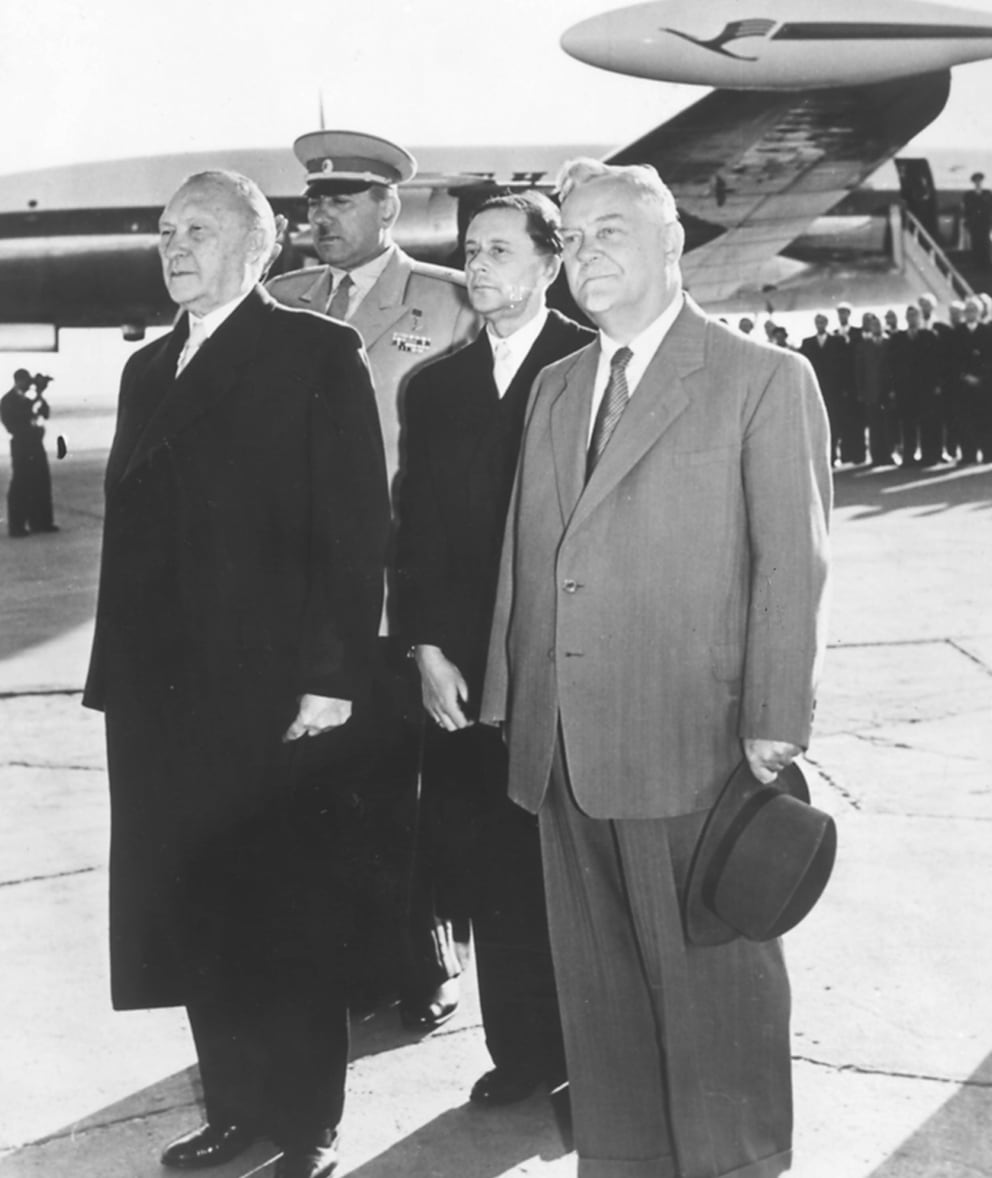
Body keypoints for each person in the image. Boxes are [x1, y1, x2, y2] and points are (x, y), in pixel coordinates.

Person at [481, 158, 831, 1178]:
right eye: (573, 236)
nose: (585, 253)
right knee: (599, 999)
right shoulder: (554, 385)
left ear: (670, 244)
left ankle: (735, 1164)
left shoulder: (759, 378)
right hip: (561, 748)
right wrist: (512, 699)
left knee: (712, 996)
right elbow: (528, 550)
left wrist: (773, 717)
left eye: (608, 231)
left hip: (692, 743)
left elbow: (791, 562)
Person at [83, 169, 390, 1178]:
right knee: (201, 907)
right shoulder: (145, 370)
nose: (175, 246)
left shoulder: (313, 350)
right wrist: (117, 682)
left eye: (199, 230)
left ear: (257, 250)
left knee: (285, 908)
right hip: (163, 695)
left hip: (275, 693)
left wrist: (334, 674)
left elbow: (355, 526)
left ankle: (305, 1122)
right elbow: (128, 543)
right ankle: (235, 1105)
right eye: (167, 230)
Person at [268, 131, 477, 1028]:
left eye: (342, 200)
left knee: (406, 790)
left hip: (400, 597)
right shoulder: (279, 301)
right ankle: (349, 960)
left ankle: (424, 963)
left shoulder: (448, 303)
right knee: (319, 790)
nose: (320, 215)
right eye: (313, 201)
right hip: (302, 603)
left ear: (388, 207)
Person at [396, 192, 590, 1105]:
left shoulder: (592, 370)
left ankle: (598, 1057)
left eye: (500, 250)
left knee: (579, 865)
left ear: (552, 264)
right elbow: (415, 532)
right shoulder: (432, 387)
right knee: (495, 862)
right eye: (471, 250)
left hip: (570, 661)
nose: (477, 266)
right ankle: (524, 1054)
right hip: (467, 671)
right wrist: (427, 647)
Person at [1, 368, 57, 536]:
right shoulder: (7, 400)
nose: (29, 385)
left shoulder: (27, 400)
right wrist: (36, 399)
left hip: (35, 443)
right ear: (18, 380)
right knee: (20, 483)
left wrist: (40, 395)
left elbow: (45, 413)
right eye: (26, 381)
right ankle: (17, 526)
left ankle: (41, 522)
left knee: (41, 480)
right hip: (21, 445)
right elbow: (13, 421)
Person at [888, 304, 943, 466]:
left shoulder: (929, 336)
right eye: (909, 316)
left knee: (927, 423)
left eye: (915, 316)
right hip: (905, 389)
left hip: (925, 388)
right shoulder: (898, 338)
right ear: (906, 318)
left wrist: (937, 384)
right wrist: (893, 387)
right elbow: (892, 364)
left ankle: (929, 456)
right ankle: (908, 457)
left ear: (920, 318)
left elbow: (936, 363)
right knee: (907, 424)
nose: (912, 319)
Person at [800, 313, 844, 464]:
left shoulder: (837, 341)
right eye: (817, 321)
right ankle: (818, 456)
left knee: (833, 423)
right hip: (816, 390)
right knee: (816, 423)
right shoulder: (807, 343)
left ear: (826, 323)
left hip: (833, 390)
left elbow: (843, 366)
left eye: (822, 322)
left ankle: (833, 455)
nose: (820, 324)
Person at [853, 312, 895, 465]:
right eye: (873, 325)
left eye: (878, 324)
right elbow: (859, 371)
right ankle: (876, 457)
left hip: (887, 391)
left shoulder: (890, 343)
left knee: (888, 424)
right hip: (871, 391)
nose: (876, 327)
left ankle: (889, 454)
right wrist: (861, 391)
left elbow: (894, 368)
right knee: (874, 425)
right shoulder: (863, 346)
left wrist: (893, 389)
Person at [834, 301, 865, 463]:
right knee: (844, 420)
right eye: (840, 313)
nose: (842, 316)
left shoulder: (857, 333)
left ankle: (859, 454)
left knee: (857, 420)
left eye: (845, 312)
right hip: (841, 385)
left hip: (855, 383)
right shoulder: (834, 334)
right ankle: (846, 455)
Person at [962, 171, 992, 268]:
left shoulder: (987, 194)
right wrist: (967, 221)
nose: (978, 183)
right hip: (974, 222)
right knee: (975, 242)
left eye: (979, 180)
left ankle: (985, 262)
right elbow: (967, 209)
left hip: (985, 222)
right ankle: (977, 262)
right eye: (976, 181)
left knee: (985, 241)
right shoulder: (969, 195)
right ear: (974, 182)